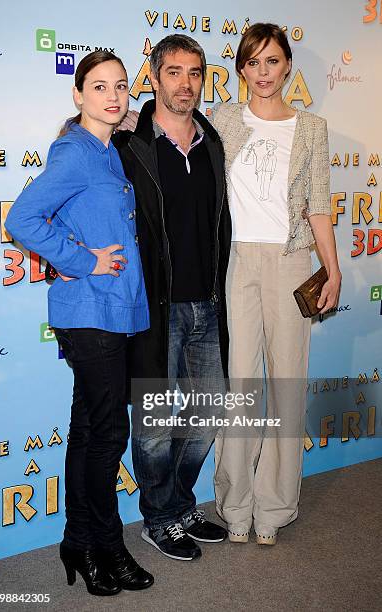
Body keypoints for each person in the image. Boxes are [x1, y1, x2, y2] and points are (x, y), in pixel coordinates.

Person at [5, 51, 154, 595]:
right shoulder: (74, 152)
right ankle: (106, 545)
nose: (113, 96)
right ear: (78, 94)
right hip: (90, 312)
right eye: (98, 87)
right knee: (109, 432)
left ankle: (79, 538)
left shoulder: (110, 151)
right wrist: (80, 258)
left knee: (90, 428)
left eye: (120, 87)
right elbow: (21, 218)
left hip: (112, 309)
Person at [211, 23, 342, 545]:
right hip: (239, 263)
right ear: (241, 69)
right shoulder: (222, 119)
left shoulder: (311, 128)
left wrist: (331, 269)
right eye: (252, 62)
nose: (262, 73)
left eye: (272, 61)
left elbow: (318, 203)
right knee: (242, 385)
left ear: (288, 66)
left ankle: (275, 507)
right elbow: (172, 133)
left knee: (286, 387)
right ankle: (235, 506)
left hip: (292, 263)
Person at [112, 34, 232, 561]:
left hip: (208, 303)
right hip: (156, 308)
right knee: (157, 428)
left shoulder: (214, 141)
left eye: (195, 72)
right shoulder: (129, 144)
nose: (186, 83)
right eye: (175, 72)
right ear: (154, 79)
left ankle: (181, 506)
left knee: (205, 419)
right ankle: (158, 518)